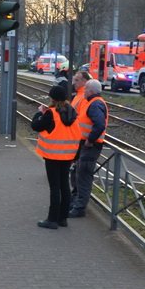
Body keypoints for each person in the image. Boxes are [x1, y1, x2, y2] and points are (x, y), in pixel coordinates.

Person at [31, 84, 79, 229]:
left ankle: (52, 220)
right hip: (68, 155)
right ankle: (62, 218)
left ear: (52, 98)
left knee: (55, 187)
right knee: (65, 186)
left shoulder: (51, 113)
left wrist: (39, 113)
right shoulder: (72, 112)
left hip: (53, 155)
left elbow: (36, 126)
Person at [68, 79, 108, 218]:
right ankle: (75, 202)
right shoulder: (92, 102)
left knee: (83, 176)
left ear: (91, 91)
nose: (83, 91)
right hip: (86, 145)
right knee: (79, 174)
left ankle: (79, 208)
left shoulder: (95, 104)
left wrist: (90, 140)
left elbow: (99, 124)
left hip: (90, 146)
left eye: (85, 89)